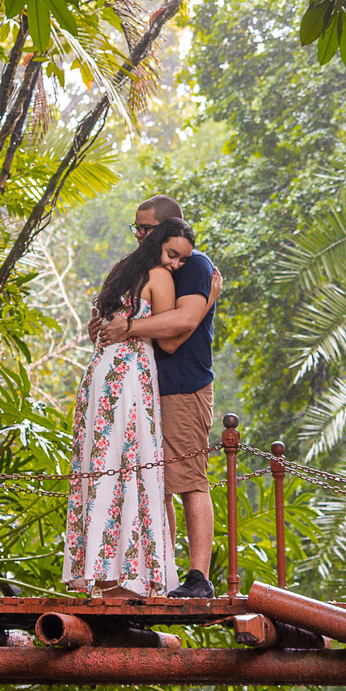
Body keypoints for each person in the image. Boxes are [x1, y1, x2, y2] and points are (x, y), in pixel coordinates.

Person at [63, 219, 218, 598]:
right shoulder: (156, 275)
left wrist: (126, 326)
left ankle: (141, 575)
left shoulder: (139, 268)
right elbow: (167, 340)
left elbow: (98, 327)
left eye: (145, 227)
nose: (177, 264)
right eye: (172, 255)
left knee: (122, 471)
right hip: (132, 379)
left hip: (114, 377)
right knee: (140, 475)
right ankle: (145, 576)